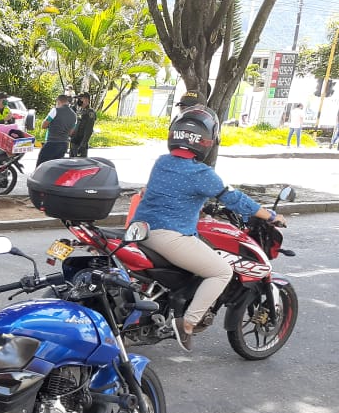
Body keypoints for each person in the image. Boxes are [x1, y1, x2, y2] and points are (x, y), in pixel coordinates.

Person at [131, 105, 286, 352]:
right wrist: (270, 215)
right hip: (168, 236)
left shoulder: (162, 163)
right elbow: (236, 200)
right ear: (207, 140)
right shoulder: (201, 173)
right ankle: (187, 324)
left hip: (140, 232)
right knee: (221, 272)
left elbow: (170, 194)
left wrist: (199, 208)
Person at [36, 95, 77, 166]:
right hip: (64, 144)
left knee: (41, 166)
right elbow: (71, 132)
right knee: (56, 168)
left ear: (58, 102)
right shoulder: (74, 115)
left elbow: (44, 125)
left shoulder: (55, 110)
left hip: (52, 143)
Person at [69, 92, 97, 157]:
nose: (78, 101)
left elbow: (88, 130)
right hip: (74, 141)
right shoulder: (81, 111)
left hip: (80, 143)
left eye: (80, 99)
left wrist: (83, 145)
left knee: (79, 165)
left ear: (86, 100)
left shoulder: (90, 113)